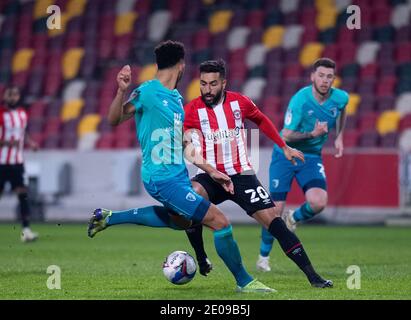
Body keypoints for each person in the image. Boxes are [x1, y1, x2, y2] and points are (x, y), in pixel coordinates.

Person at [87, 40, 274, 293]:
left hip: (178, 176)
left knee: (182, 223)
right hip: (161, 178)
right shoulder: (147, 92)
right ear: (181, 65)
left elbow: (185, 144)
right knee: (220, 222)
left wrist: (211, 171)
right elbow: (114, 119)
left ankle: (108, 218)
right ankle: (245, 281)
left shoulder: (175, 98)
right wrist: (121, 91)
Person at [182, 59, 333, 288]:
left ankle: (314, 277)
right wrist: (209, 169)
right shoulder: (192, 109)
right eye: (203, 84)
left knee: (274, 222)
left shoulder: (239, 102)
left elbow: (261, 120)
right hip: (211, 176)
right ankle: (202, 258)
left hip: (242, 175)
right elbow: (187, 147)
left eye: (213, 84)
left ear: (224, 83)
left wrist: (284, 146)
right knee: (192, 197)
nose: (207, 89)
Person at [256, 57, 348, 272]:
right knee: (273, 211)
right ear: (312, 77)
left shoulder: (341, 97)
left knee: (318, 202)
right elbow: (286, 135)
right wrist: (312, 134)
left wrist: (339, 136)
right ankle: (263, 257)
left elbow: (343, 111)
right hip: (285, 154)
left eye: (330, 77)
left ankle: (293, 218)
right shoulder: (300, 100)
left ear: (334, 79)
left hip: (311, 157)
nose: (325, 81)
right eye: (321, 76)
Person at [0, 85, 39, 242]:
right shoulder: (1, 114)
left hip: (17, 162)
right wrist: (8, 144)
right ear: (5, 97)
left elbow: (23, 132)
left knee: (23, 195)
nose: (13, 97)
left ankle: (26, 231)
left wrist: (31, 143)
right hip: (1, 162)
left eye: (15, 94)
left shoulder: (23, 114)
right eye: (10, 94)